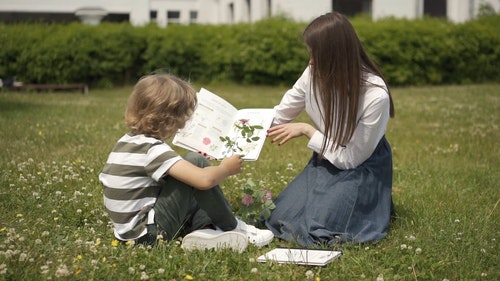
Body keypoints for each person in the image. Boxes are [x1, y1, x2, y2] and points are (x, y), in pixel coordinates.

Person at [99, 74, 273, 252]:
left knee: (192, 171)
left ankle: (206, 231)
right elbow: (204, 180)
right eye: (184, 116)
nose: (185, 123)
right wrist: (225, 169)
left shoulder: (128, 141)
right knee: (196, 163)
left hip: (129, 235)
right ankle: (233, 227)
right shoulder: (152, 149)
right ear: (170, 117)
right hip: (149, 235)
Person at [264, 12, 395, 247]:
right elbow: (280, 115)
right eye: (310, 52)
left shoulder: (375, 95)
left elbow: (351, 159)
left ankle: (373, 204)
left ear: (337, 56)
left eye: (317, 55)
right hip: (326, 158)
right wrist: (237, 126)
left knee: (319, 230)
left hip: (361, 166)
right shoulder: (312, 73)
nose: (311, 61)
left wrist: (307, 129)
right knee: (278, 217)